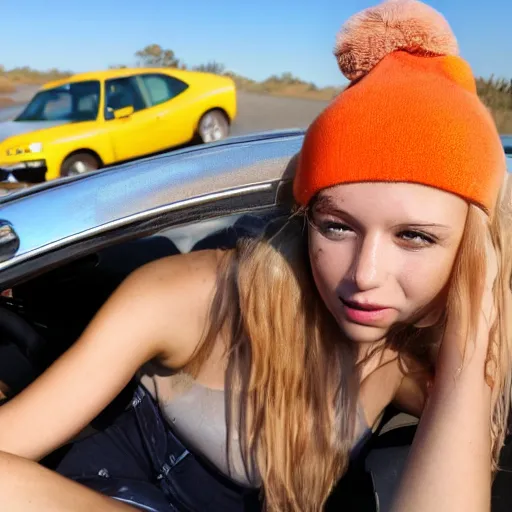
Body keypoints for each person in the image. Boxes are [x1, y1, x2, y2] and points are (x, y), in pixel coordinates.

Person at [0, 0, 510, 511]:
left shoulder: (404, 359)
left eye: (415, 237)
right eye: (336, 226)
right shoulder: (191, 297)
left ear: (470, 253)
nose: (365, 275)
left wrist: (476, 322)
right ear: (306, 219)